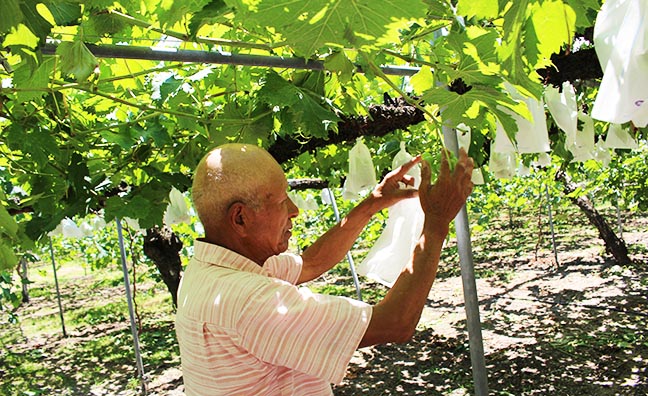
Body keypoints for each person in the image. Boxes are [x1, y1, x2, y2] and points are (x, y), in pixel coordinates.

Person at [176, 143, 474, 395]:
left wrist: (372, 204)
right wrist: (436, 223)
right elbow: (395, 323)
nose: (294, 210)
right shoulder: (250, 300)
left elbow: (311, 262)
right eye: (281, 201)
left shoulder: (211, 270)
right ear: (240, 219)